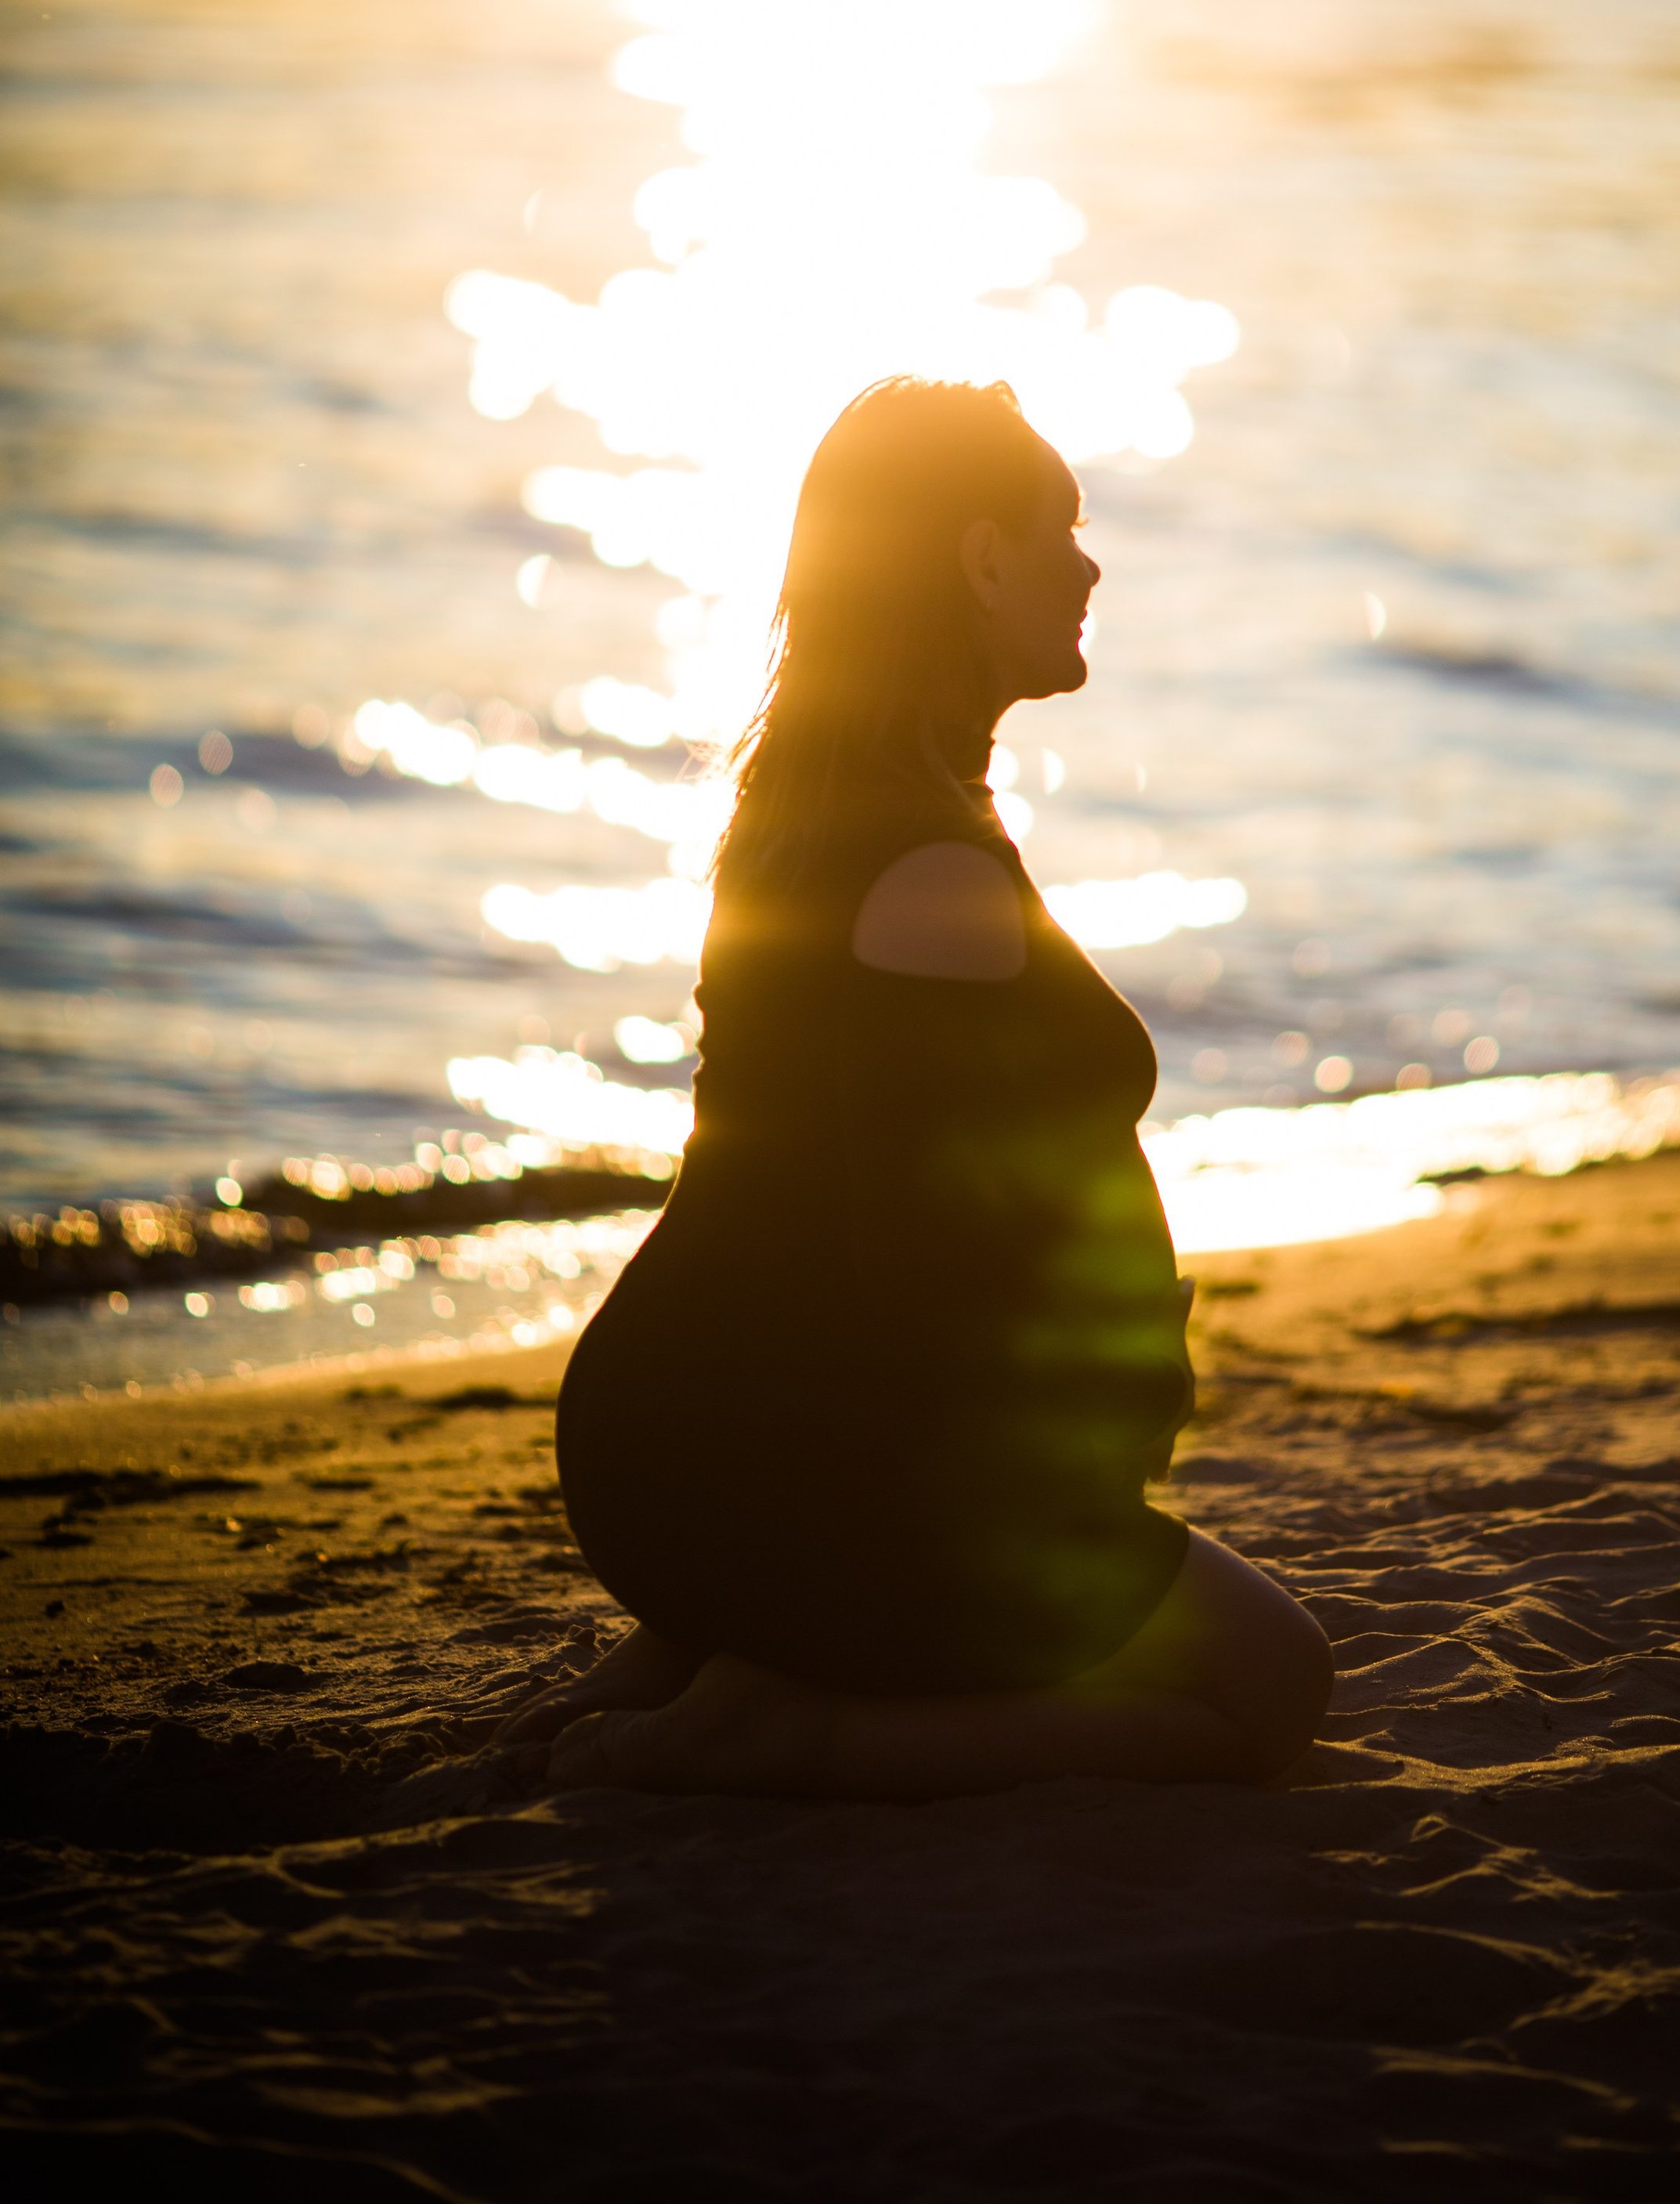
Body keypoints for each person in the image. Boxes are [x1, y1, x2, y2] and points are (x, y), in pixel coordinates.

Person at [504, 378, 1331, 1798]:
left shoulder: (848, 799)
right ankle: (798, 1729)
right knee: (1276, 1685)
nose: (1087, 564)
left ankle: (714, 1656)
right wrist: (1086, 1437)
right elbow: (910, 1257)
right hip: (794, 1459)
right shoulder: (924, 867)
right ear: (979, 553)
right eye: (1058, 526)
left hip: (697, 1439)